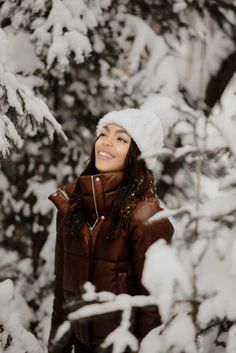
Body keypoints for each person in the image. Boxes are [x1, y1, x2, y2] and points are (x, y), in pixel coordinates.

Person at [48, 104, 175, 353]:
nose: (106, 142)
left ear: (136, 155)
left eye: (120, 139)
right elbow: (62, 285)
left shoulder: (145, 216)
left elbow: (154, 308)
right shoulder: (70, 204)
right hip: (79, 344)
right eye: (104, 134)